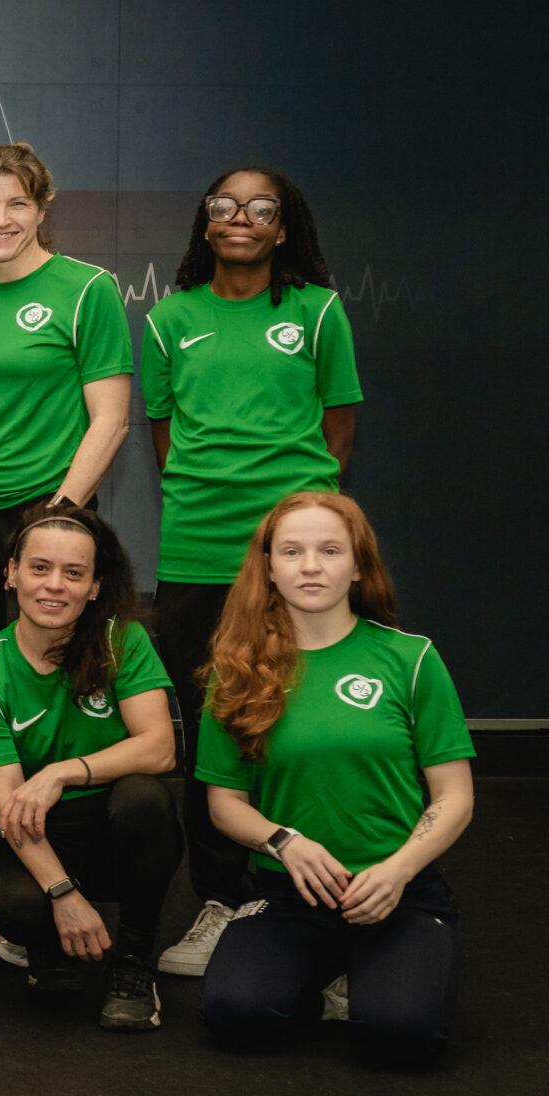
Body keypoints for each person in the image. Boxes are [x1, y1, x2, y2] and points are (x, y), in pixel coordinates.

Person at [143, 167, 362, 978]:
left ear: (283, 227)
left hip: (293, 554)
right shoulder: (171, 318)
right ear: (205, 223)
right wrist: (217, 504)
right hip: (198, 552)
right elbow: (164, 435)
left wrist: (296, 529)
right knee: (210, 732)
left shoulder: (316, 312)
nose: (240, 218)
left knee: (302, 722)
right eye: (224, 205)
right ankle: (222, 901)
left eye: (259, 208)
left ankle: (319, 900)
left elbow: (338, 430)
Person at [0, 143, 136, 943]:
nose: (0, 219)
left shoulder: (86, 290)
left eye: (16, 204)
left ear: (43, 208)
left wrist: (56, 521)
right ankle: (2, 875)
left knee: (55, 694)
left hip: (46, 518)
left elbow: (110, 419)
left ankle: (67, 872)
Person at [193, 493, 472, 1066]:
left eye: (329, 550)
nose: (311, 566)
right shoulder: (236, 669)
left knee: (402, 1035)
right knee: (234, 1015)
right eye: (292, 551)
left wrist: (398, 870)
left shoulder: (410, 659)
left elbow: (455, 795)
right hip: (289, 892)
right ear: (268, 567)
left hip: (397, 892)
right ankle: (321, 978)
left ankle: (376, 977)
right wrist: (281, 841)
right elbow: (224, 803)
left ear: (358, 566)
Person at [0, 504, 179, 1029]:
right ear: (10, 573)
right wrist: (63, 894)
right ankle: (50, 952)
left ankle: (133, 965)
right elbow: (11, 806)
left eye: (74, 573)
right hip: (36, 830)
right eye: (39, 568)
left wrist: (61, 771)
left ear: (95, 586)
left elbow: (159, 748)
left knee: (145, 799)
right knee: (19, 905)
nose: (54, 586)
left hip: (114, 824)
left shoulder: (122, 640)